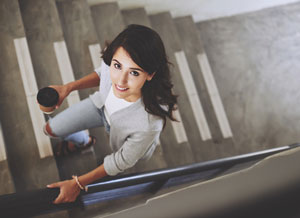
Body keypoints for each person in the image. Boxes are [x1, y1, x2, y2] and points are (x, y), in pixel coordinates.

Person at [44, 24, 178, 204]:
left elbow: (120, 161)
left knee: (116, 159)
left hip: (124, 134)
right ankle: (85, 142)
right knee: (50, 130)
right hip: (101, 107)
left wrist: (78, 182)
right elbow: (104, 73)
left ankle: (84, 142)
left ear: (150, 75)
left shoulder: (148, 126)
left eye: (134, 72)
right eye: (117, 66)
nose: (120, 81)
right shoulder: (115, 57)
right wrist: (68, 88)